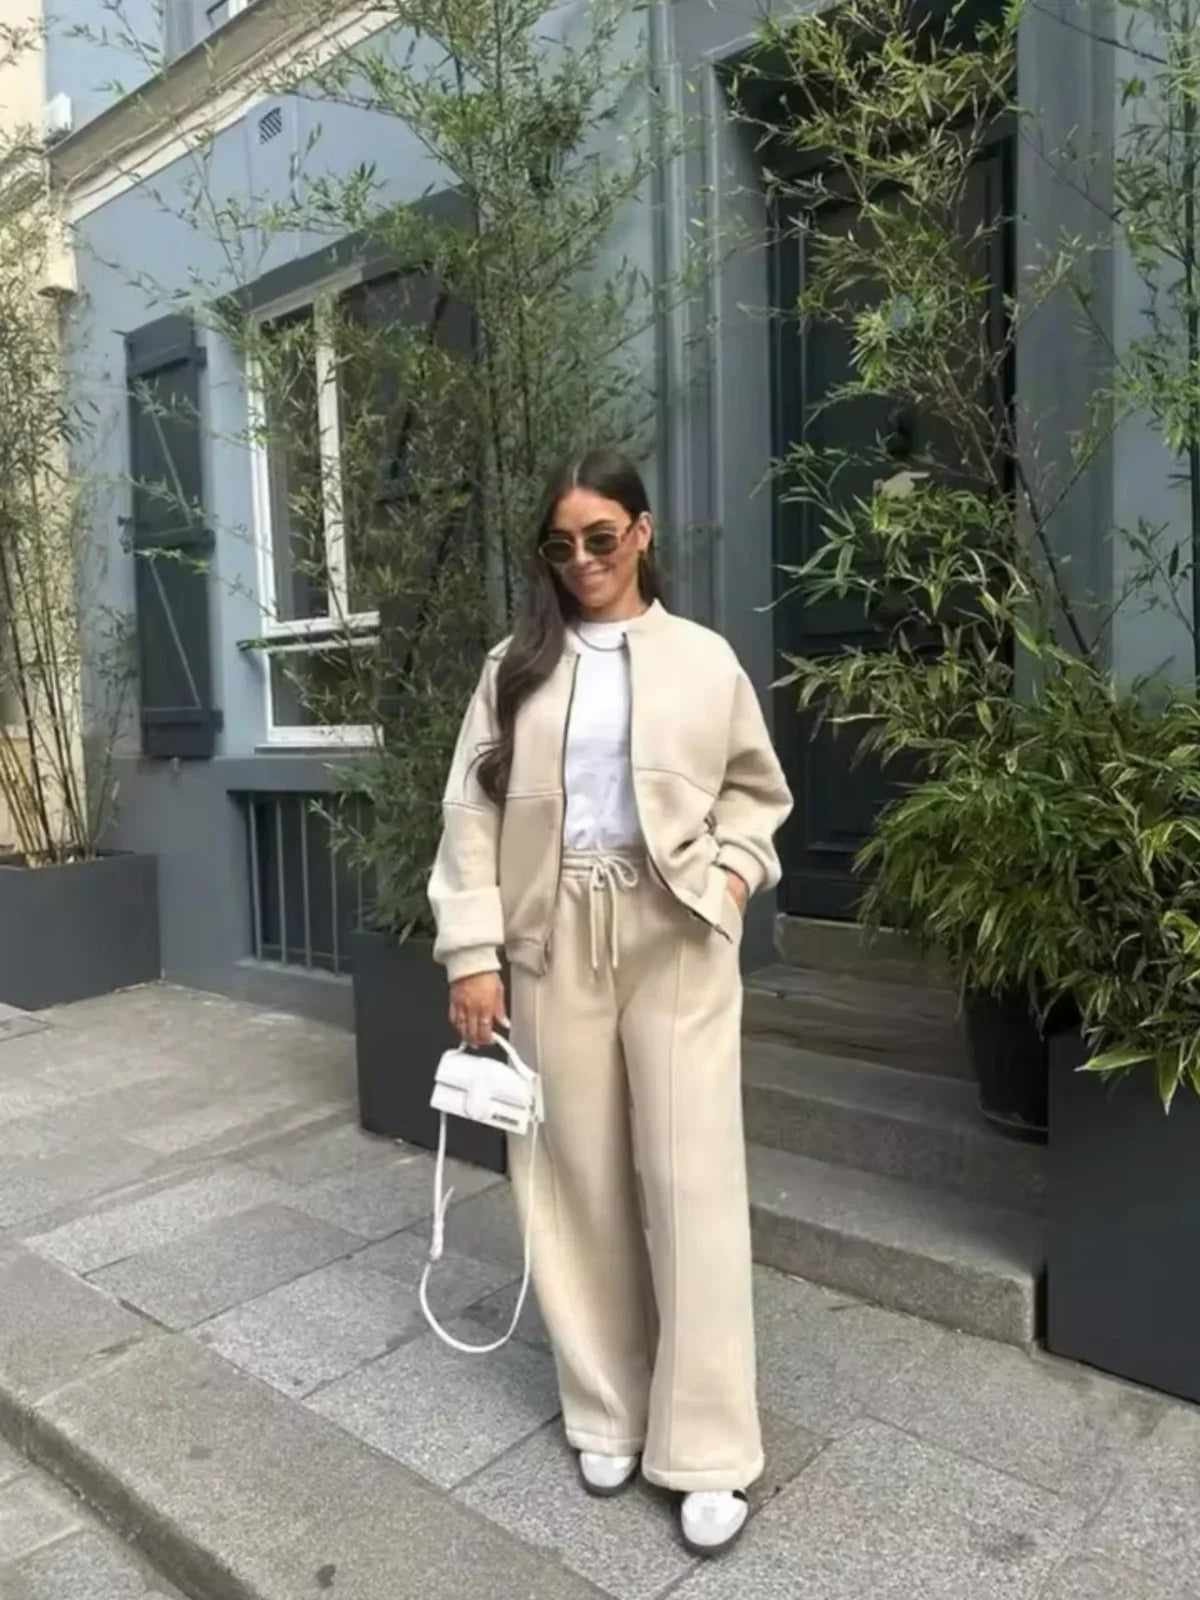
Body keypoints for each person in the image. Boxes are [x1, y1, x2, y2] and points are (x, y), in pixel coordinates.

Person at [428, 448, 792, 1556]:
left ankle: (709, 1449)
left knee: (691, 1182)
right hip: (550, 939)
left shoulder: (702, 658)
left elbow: (756, 789)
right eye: (561, 544)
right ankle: (605, 1409)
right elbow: (469, 815)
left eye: (600, 536)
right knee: (572, 1174)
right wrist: (472, 953)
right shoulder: (514, 666)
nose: (582, 559)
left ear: (641, 531)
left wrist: (732, 879)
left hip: (673, 930)